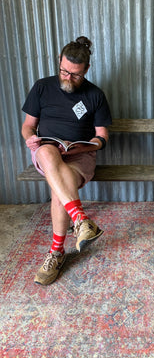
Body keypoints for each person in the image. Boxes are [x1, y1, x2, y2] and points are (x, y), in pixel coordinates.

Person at [21, 36, 112, 285]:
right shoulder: (41, 87)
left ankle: (57, 252)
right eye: (63, 71)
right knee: (48, 152)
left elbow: (102, 135)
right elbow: (28, 126)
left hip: (79, 156)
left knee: (58, 187)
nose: (67, 78)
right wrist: (30, 139)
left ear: (86, 70)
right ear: (59, 63)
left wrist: (89, 145)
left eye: (75, 75)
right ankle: (80, 220)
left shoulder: (95, 95)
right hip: (47, 151)